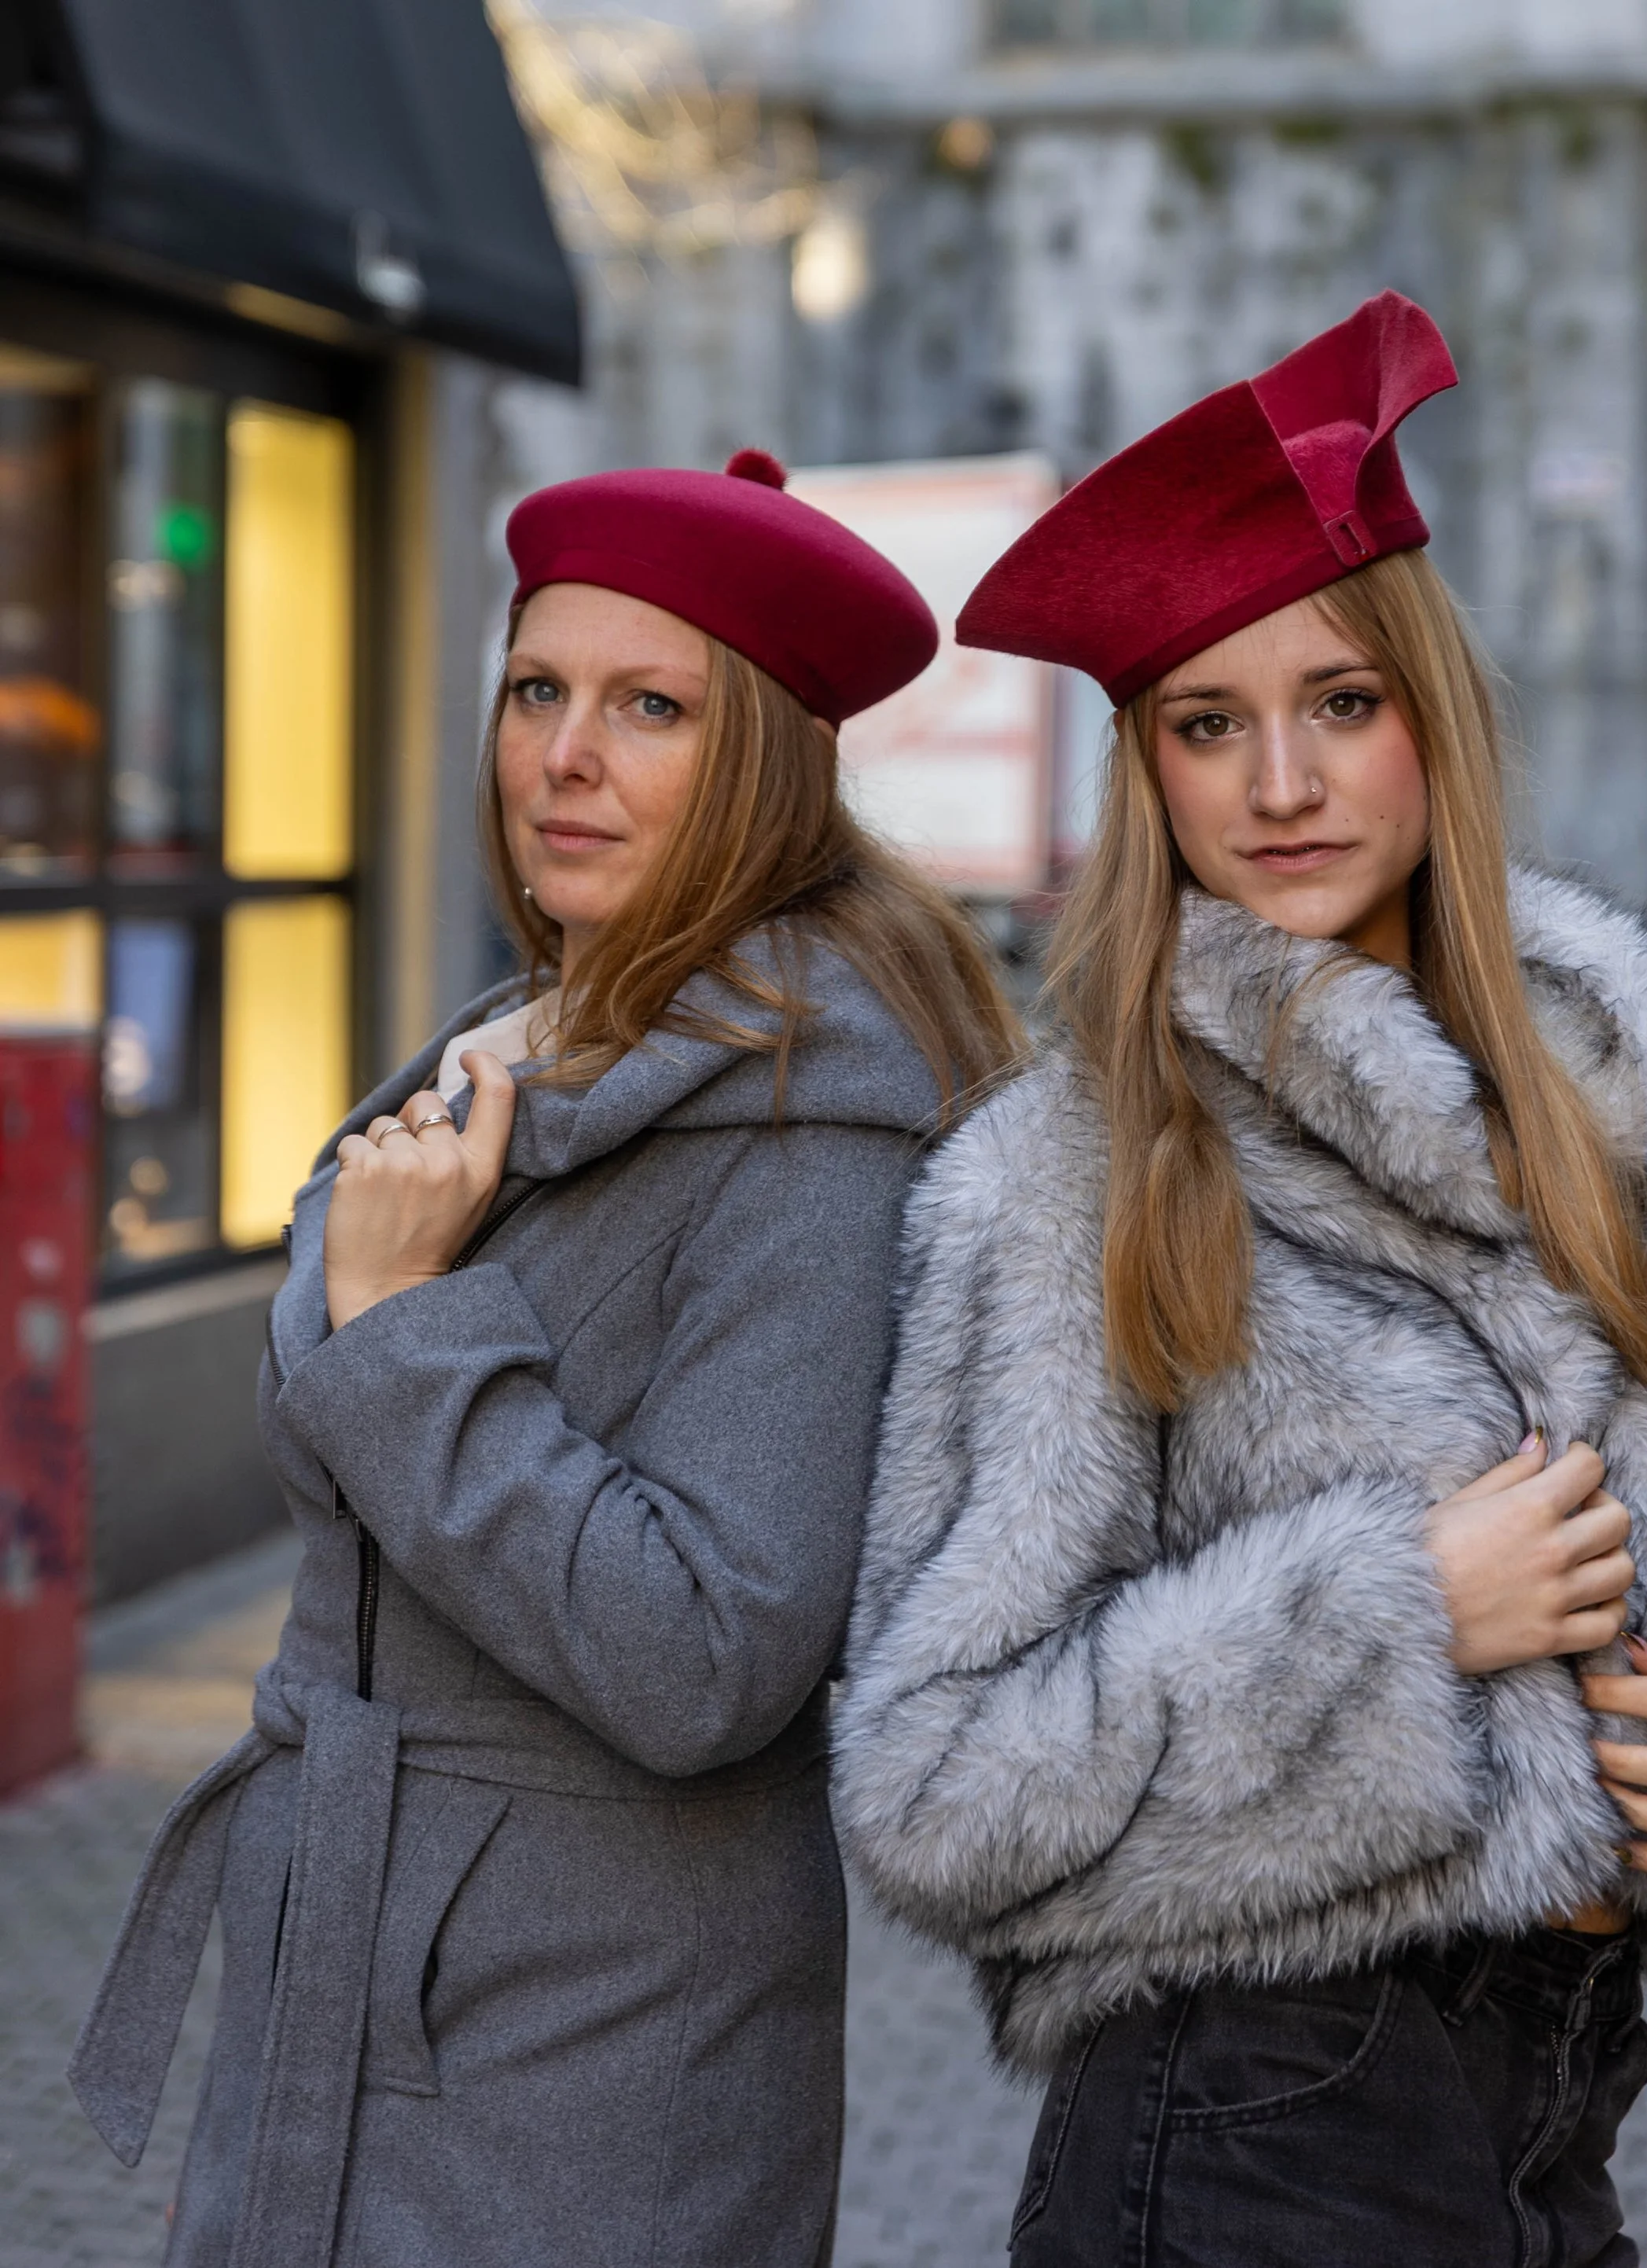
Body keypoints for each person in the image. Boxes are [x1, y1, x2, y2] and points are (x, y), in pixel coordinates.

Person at [832, 296, 1647, 2268]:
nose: (1279, 781)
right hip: (1243, 2124)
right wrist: (1391, 1617)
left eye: (1340, 701)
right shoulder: (1064, 1173)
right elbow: (930, 1786)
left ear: (1435, 716)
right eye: (1205, 722)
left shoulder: (1606, 1118)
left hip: (1561, 2114)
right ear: (1144, 776)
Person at [71, 450, 1020, 2267]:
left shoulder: (811, 1130)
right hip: (355, 1979)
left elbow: (709, 1650)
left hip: (585, 2058)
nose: (563, 754)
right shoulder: (534, 1038)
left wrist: (412, 1326)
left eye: (647, 707)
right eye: (539, 688)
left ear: (755, 763)